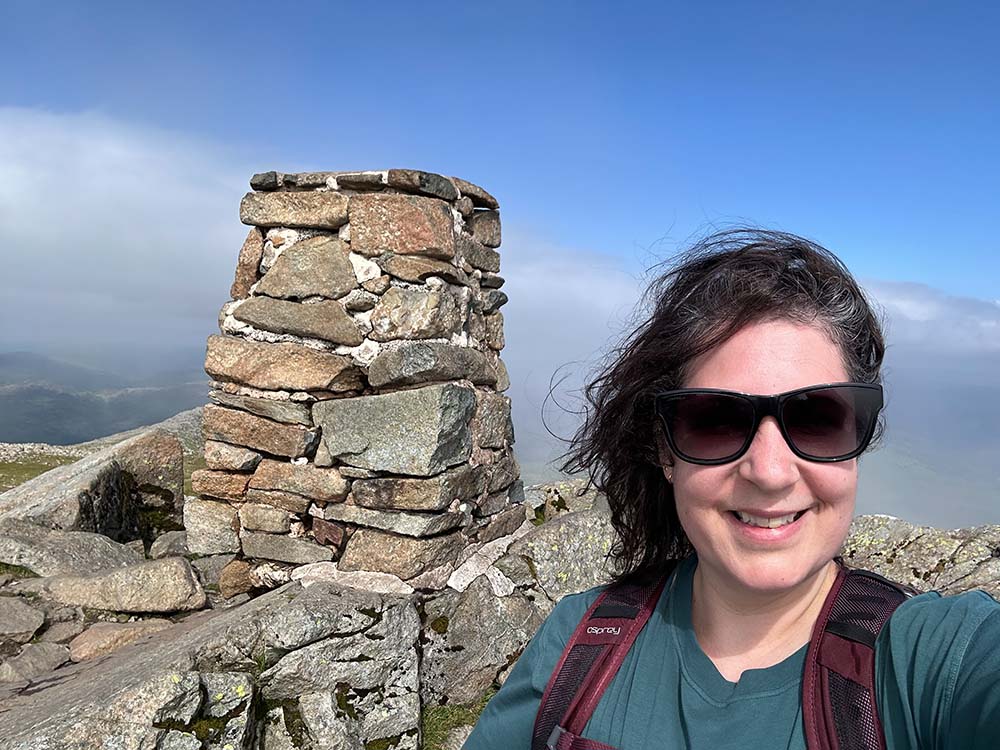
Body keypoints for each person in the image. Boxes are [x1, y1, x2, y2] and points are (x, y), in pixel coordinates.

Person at [465, 229, 1000, 749]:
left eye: (816, 418)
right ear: (666, 452)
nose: (770, 472)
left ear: (857, 441)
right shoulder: (575, 647)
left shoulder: (936, 663)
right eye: (715, 420)